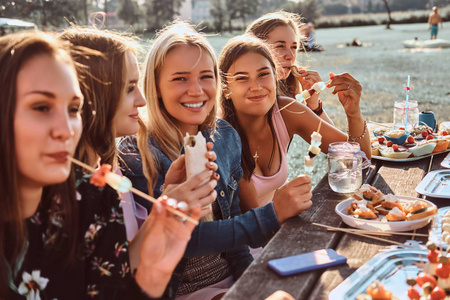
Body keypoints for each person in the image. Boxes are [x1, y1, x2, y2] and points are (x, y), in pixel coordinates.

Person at [119, 20, 313, 299]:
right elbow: (182, 240)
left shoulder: (224, 136)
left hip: (230, 279)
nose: (196, 90)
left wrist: (249, 284)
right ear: (156, 86)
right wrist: (270, 215)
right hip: (182, 291)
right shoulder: (137, 154)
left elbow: (235, 240)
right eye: (180, 78)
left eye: (206, 76)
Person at [0, 30, 201, 299]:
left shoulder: (96, 197)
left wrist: (152, 277)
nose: (66, 130)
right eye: (40, 107)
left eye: (73, 109)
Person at [59, 27, 218, 246]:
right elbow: (119, 271)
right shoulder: (67, 191)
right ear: (94, 94)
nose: (142, 100)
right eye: (129, 87)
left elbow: (129, 253)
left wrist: (168, 194)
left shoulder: (110, 168)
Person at [219, 35, 371, 210]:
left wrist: (353, 113)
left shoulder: (286, 111)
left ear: (275, 76)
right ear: (226, 90)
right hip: (258, 231)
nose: (256, 86)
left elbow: (361, 158)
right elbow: (254, 222)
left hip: (280, 227)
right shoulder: (222, 136)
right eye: (242, 78)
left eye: (263, 74)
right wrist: (281, 205)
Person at [246, 11, 333, 125]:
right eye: (280, 46)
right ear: (255, 49)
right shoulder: (247, 97)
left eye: (294, 47)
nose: (291, 56)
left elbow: (334, 142)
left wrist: (313, 104)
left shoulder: (289, 96)